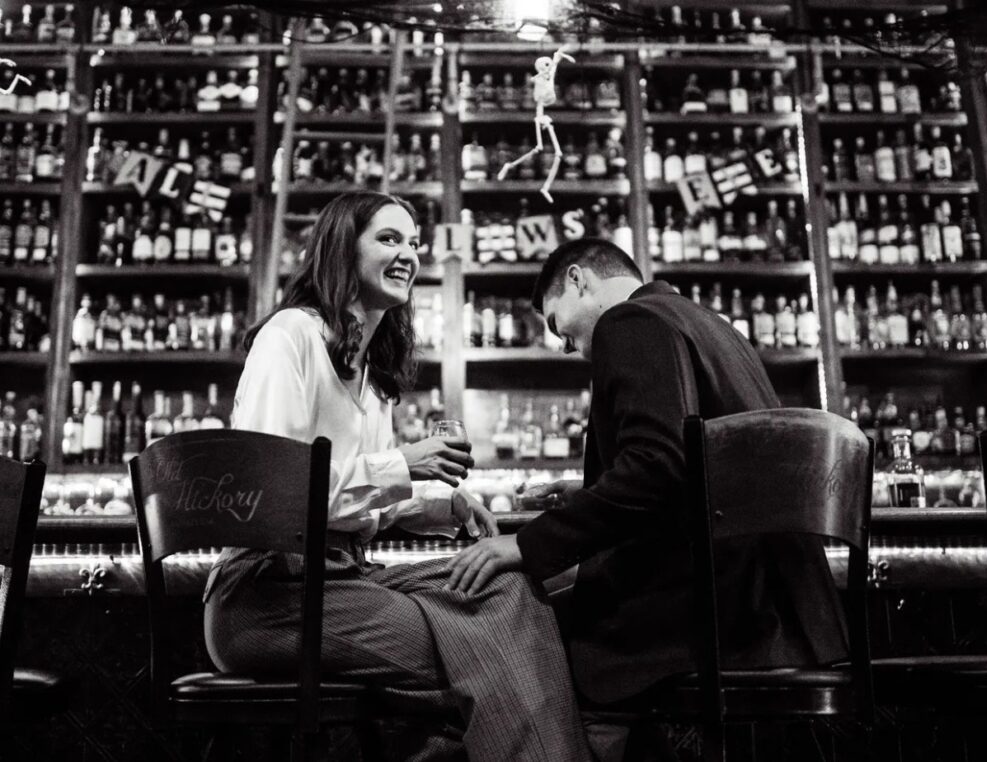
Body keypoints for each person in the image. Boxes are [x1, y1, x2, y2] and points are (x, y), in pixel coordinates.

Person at [203, 191, 591, 761]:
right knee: (500, 649)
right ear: (341, 249)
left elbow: (362, 504)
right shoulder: (290, 336)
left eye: (413, 242)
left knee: (504, 588)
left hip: (343, 581)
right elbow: (273, 498)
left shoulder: (372, 375)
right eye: (388, 239)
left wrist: (442, 506)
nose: (409, 253)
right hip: (266, 595)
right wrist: (405, 463)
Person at [445, 238, 848, 751]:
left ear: (578, 279)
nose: (564, 346)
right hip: (782, 609)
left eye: (555, 324)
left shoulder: (629, 322)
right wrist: (585, 491)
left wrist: (524, 546)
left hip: (716, 617)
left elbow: (656, 467)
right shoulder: (709, 324)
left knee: (521, 643)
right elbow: (693, 464)